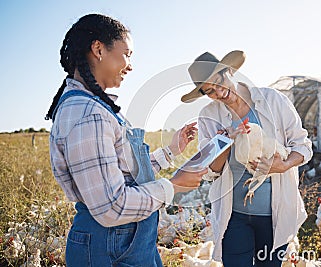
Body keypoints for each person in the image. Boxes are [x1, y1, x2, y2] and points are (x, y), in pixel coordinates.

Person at [45, 14, 206, 267]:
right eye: (127, 54)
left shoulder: (95, 107)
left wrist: (171, 151)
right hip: (109, 247)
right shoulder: (88, 114)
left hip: (124, 243)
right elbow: (112, 207)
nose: (130, 65)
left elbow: (124, 176)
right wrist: (173, 186)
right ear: (98, 49)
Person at [181, 50, 313, 266]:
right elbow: (212, 171)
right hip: (233, 217)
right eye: (210, 91)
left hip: (273, 214)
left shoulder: (273, 100)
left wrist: (284, 165)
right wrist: (222, 143)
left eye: (219, 81)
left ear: (229, 71)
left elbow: (303, 144)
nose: (219, 92)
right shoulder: (209, 116)